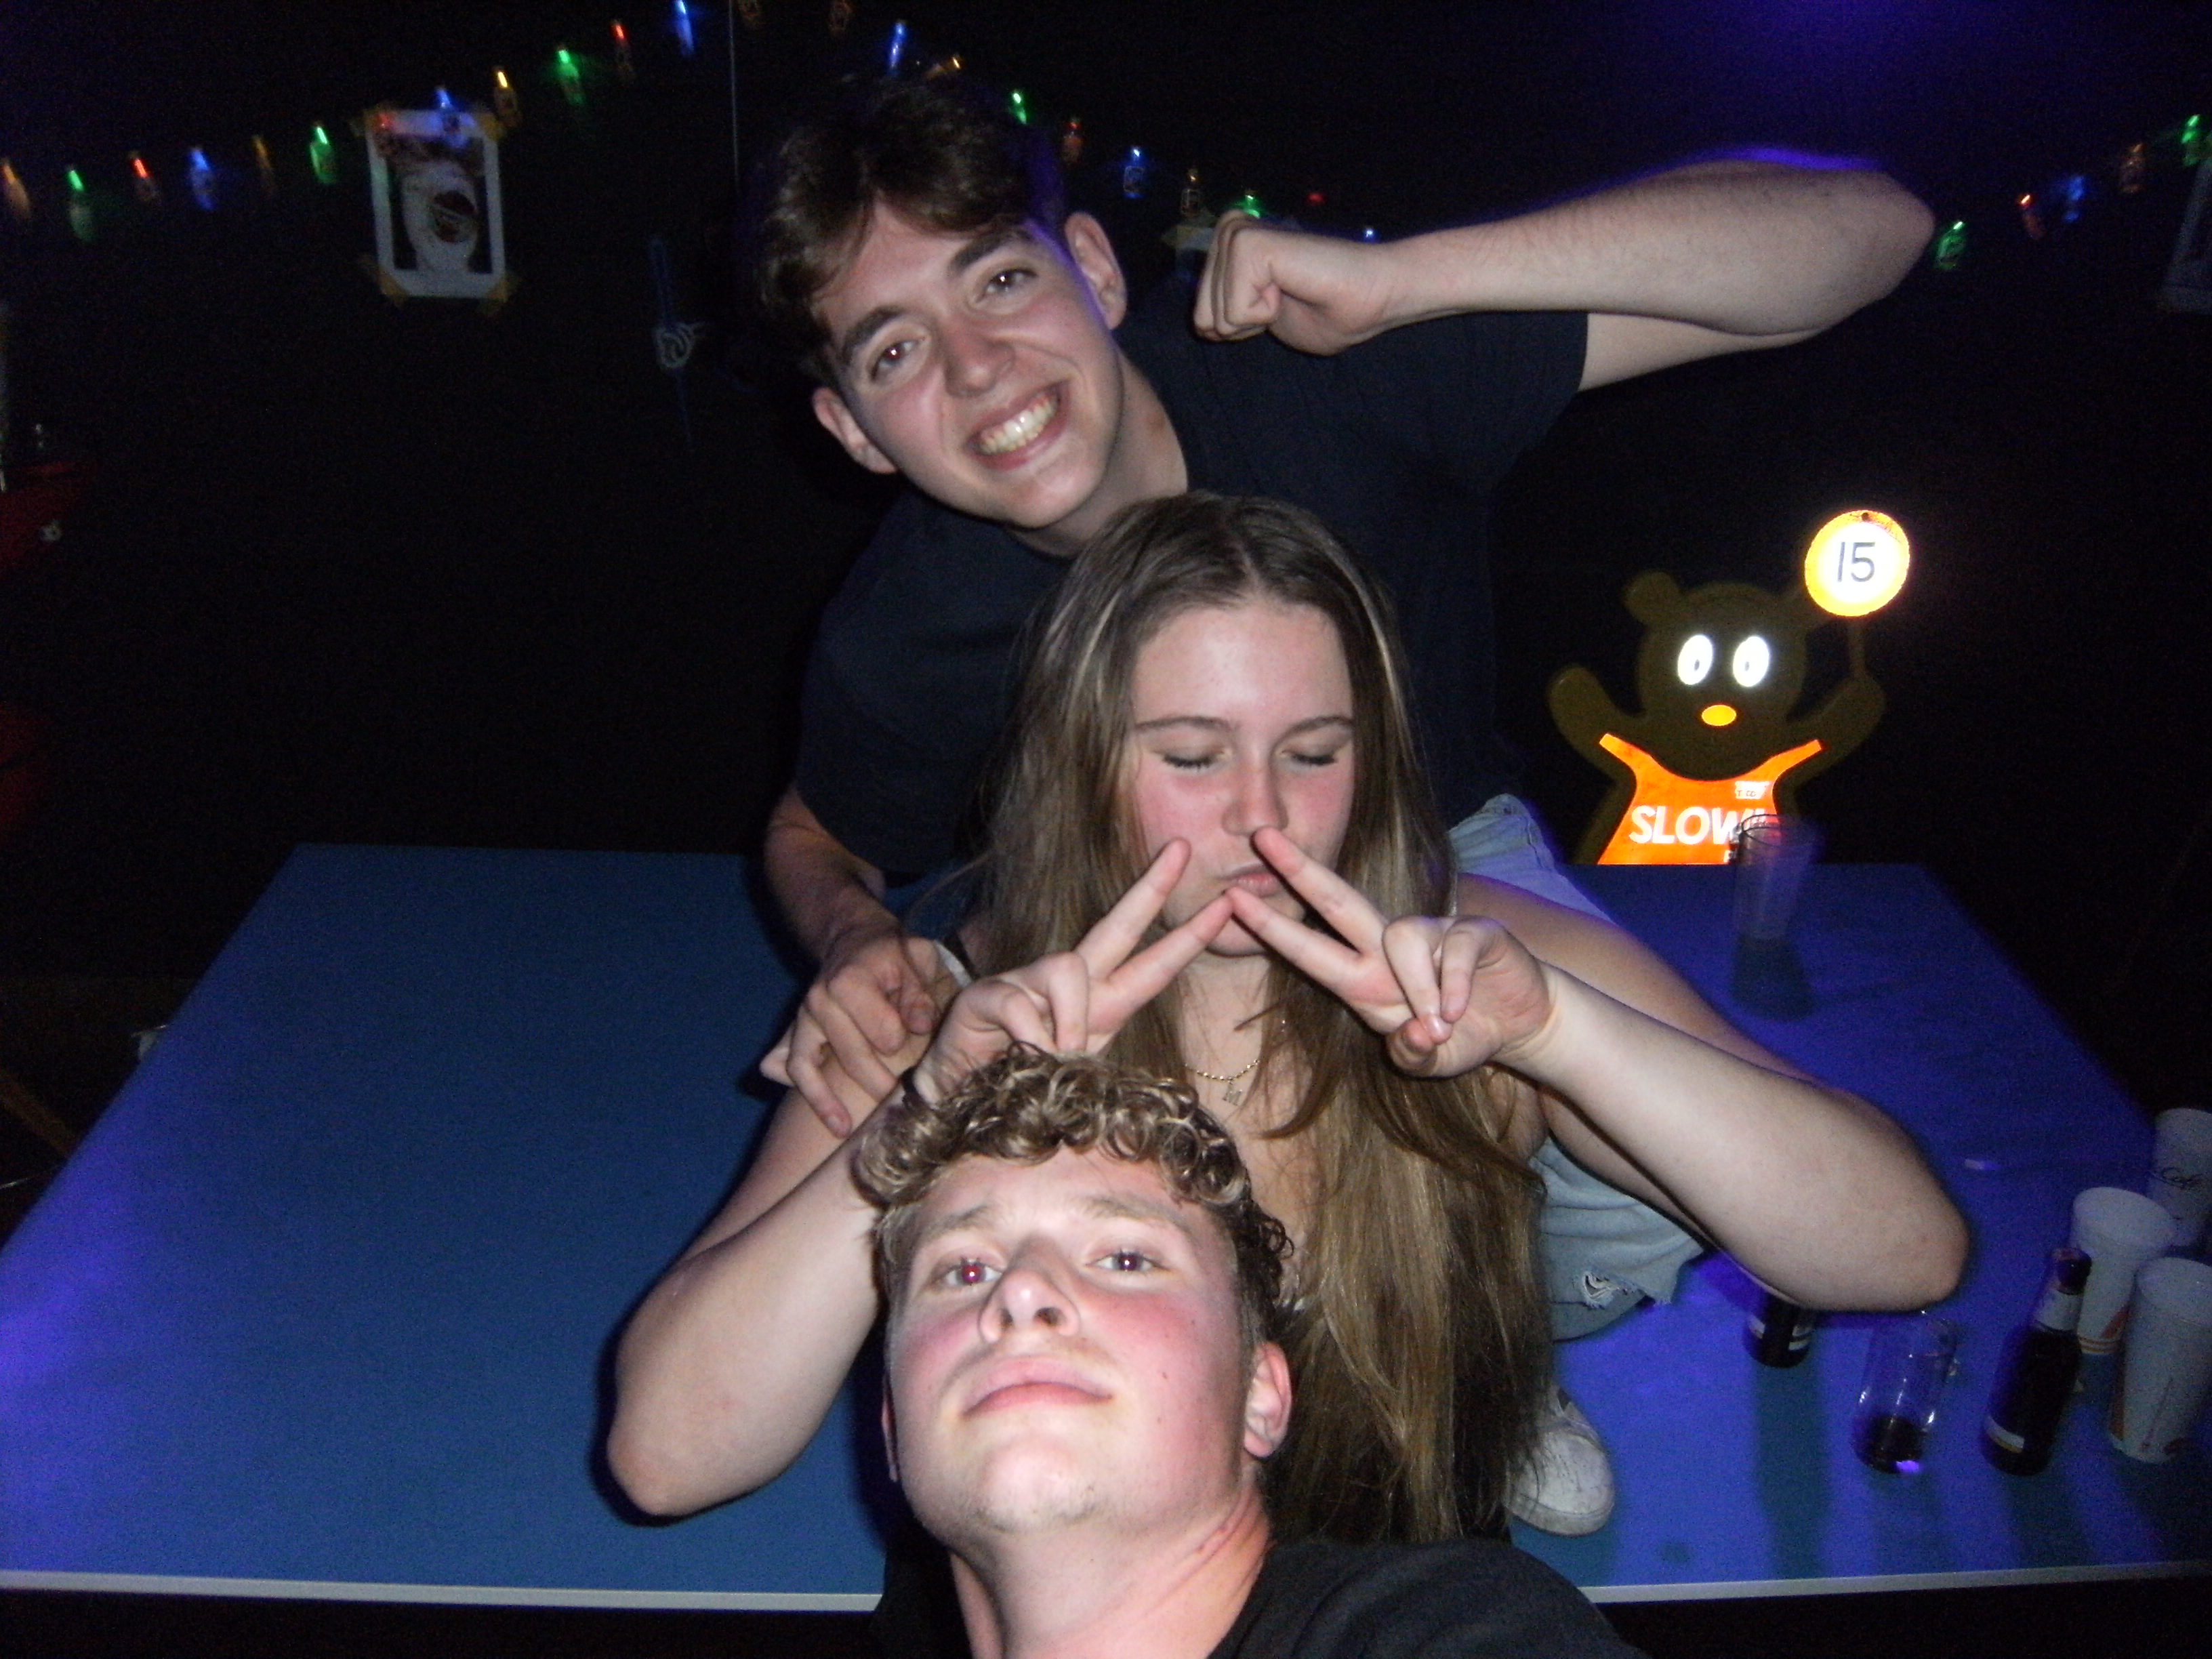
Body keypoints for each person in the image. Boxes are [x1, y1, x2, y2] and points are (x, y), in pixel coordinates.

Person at [608, 494, 1967, 1548]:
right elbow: (668, 1455)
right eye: (1191, 755)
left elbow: (1903, 1249)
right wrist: (927, 1114)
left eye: (1313, 753)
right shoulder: (961, 1009)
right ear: (1083, 764)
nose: (1260, 815)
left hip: (1409, 1587)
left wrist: (1558, 1034)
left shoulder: (1481, 956)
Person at [752, 75, 1937, 1147]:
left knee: (1673, 1162)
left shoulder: (1317, 366)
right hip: (1120, 901)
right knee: (948, 1140)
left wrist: (1412, 281)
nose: (976, 366)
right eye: (894, 352)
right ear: (854, 430)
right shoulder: (906, 624)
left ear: (1096, 270)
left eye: (1001, 281)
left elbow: (1872, 234)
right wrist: (856, 935)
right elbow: (815, 835)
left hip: (1439, 845)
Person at [852, 1042, 1639, 1659]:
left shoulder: (1448, 1627)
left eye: (1125, 1258)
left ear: (1261, 1395)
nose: (1021, 1290)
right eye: (964, 1270)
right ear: (891, 1424)